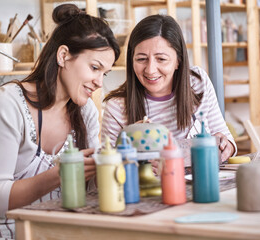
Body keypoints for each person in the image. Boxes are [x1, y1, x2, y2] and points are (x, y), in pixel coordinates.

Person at [0, 4, 119, 239]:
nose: (99, 82)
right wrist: (61, 174)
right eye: (94, 67)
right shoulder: (7, 104)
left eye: (104, 73)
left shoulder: (85, 111)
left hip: (50, 233)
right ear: (63, 55)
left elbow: (90, 192)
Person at [101, 14, 236, 163]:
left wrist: (227, 146)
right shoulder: (117, 107)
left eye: (161, 59)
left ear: (178, 61)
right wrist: (135, 159)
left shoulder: (197, 82)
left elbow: (224, 135)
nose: (150, 70)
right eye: (141, 59)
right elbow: (106, 169)